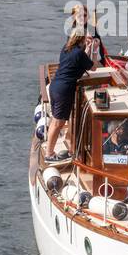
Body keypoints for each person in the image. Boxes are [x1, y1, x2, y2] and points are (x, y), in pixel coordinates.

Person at [43, 30, 96, 162]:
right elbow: (93, 67)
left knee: (55, 121)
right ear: (82, 39)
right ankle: (49, 155)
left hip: (55, 86)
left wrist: (87, 49)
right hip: (64, 89)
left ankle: (50, 151)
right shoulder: (78, 53)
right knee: (58, 123)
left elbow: (79, 61)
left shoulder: (66, 48)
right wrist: (94, 50)